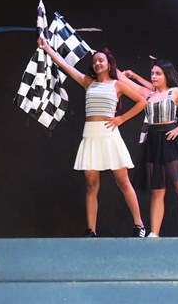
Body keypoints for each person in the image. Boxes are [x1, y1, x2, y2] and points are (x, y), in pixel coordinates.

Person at [37, 37, 147, 238]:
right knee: (91, 184)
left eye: (101, 60)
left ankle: (139, 225)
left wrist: (121, 119)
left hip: (109, 134)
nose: (97, 63)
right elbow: (64, 65)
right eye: (95, 61)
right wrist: (46, 47)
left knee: (123, 181)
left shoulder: (117, 85)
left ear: (109, 64)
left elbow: (142, 102)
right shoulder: (88, 82)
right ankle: (91, 230)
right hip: (90, 134)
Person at [120, 60, 178, 238]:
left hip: (171, 140)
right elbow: (125, 81)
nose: (154, 76)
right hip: (153, 142)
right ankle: (154, 233)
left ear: (166, 75)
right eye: (152, 73)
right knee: (157, 190)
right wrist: (117, 68)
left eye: (158, 73)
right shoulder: (149, 94)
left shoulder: (175, 92)